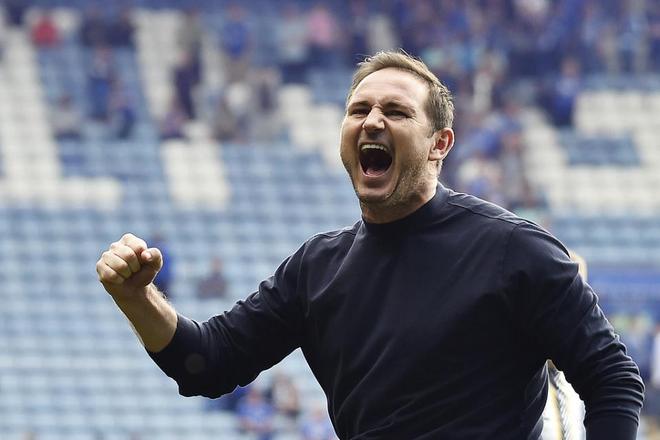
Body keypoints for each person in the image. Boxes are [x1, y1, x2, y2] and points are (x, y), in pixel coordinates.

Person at [96, 51, 644, 438]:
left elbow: (612, 379)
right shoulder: (316, 270)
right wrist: (136, 298)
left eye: (397, 112)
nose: (372, 121)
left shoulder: (514, 250)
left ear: (439, 144)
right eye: (359, 110)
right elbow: (206, 364)